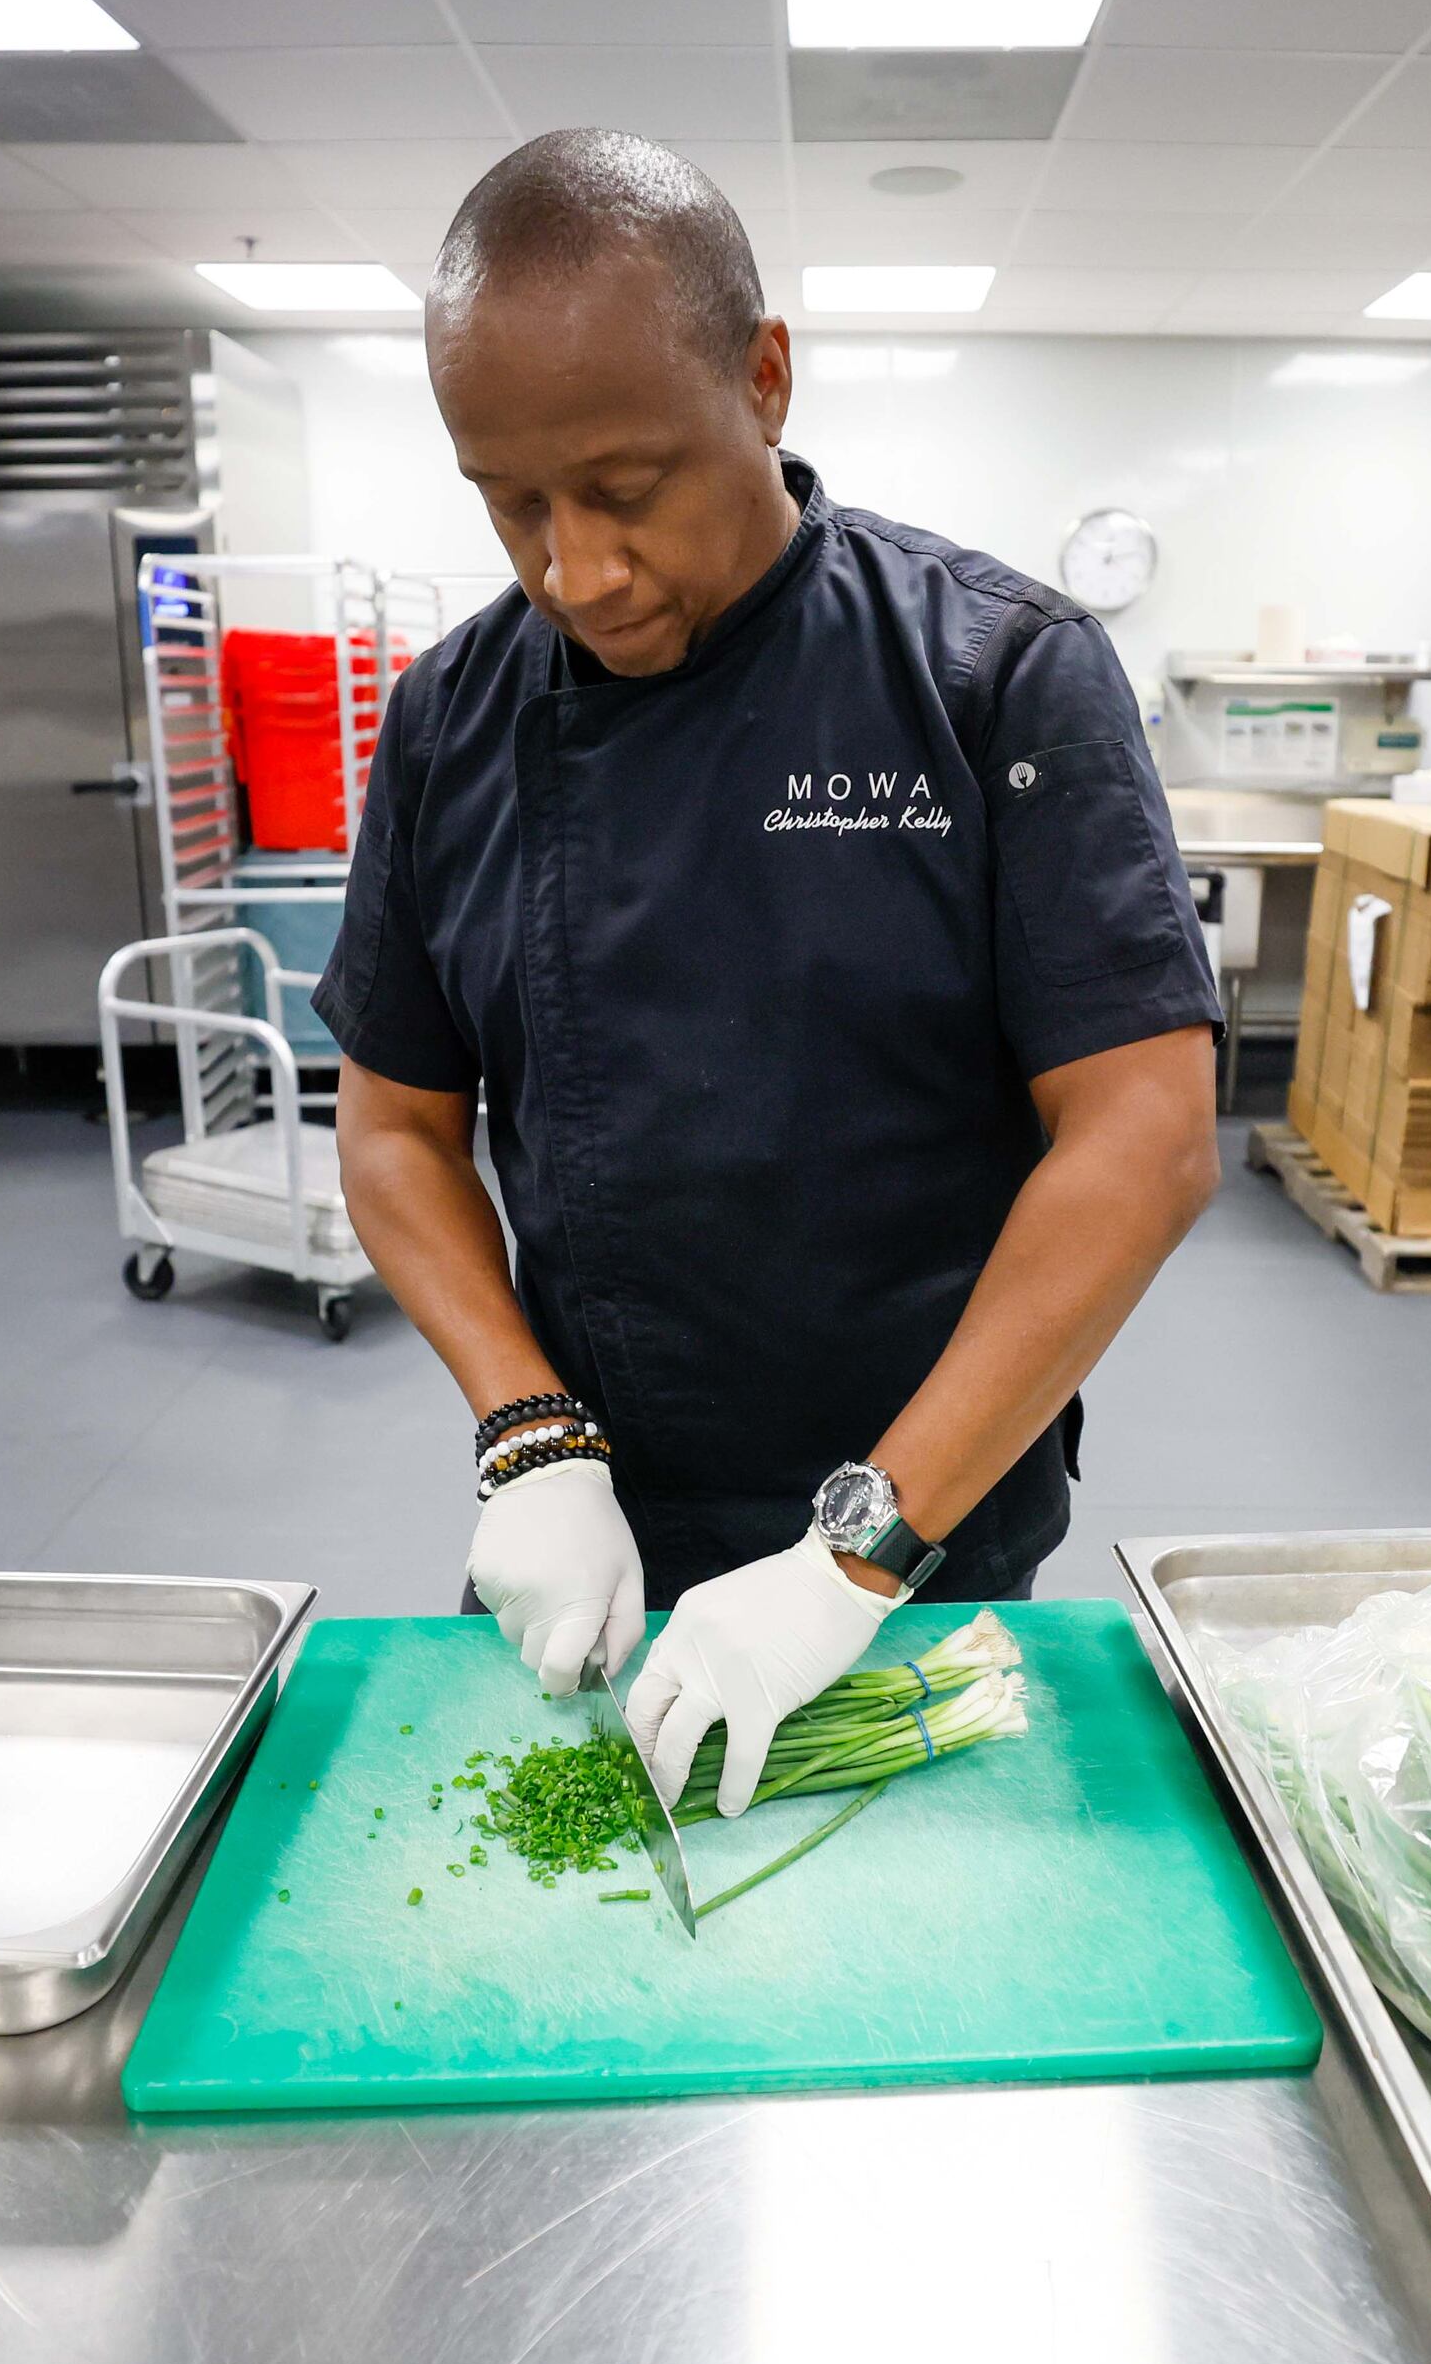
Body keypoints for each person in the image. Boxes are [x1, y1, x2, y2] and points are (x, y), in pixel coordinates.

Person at [321, 130, 1222, 1820]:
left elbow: (1145, 1138)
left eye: (626, 486)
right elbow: (394, 1132)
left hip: (920, 1539)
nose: (572, 569)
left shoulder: (992, 675)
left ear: (766, 379)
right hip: (587, 1528)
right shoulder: (451, 717)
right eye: (509, 503)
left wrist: (852, 1558)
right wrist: (527, 1435)